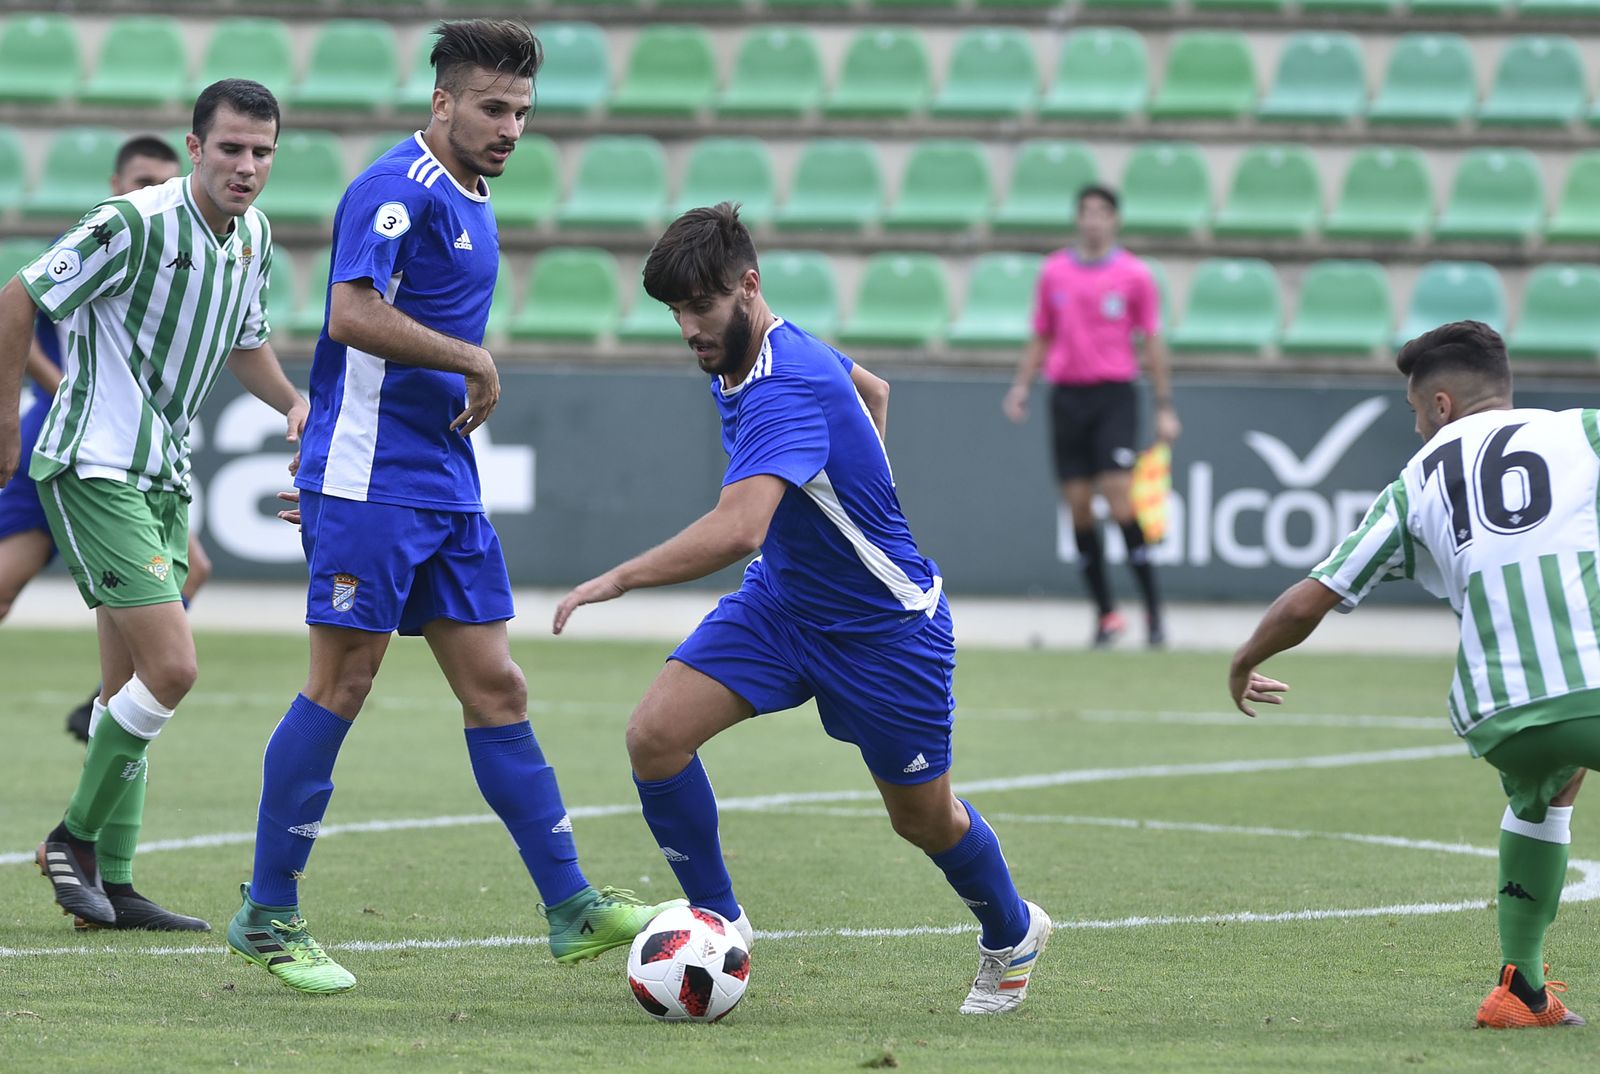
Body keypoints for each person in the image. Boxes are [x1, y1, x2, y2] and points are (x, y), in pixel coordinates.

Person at [230, 20, 679, 996]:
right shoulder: (399, 189)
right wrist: (474, 358)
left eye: (521, 111)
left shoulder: (475, 198)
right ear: (442, 103)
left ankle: (569, 909)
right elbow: (349, 314)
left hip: (442, 483)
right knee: (340, 686)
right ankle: (267, 913)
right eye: (491, 107)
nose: (510, 126)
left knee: (498, 689)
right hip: (371, 480)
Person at [553, 202, 1052, 1016]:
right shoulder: (762, 349)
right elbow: (873, 389)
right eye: (676, 310)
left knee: (924, 821)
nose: (688, 327)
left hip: (887, 633)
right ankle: (720, 920)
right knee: (655, 737)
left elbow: (739, 527)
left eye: (702, 306)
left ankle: (1012, 932)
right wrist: (855, 487)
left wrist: (619, 579)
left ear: (748, 286)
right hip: (784, 609)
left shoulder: (786, 386)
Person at [0, 81, 307, 934]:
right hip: (95, 463)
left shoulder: (253, 236)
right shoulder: (132, 221)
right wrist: (2, 424)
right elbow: (17, 297)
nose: (248, 167)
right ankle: (73, 837)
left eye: (263, 152)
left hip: (160, 472)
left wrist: (291, 401)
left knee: (127, 683)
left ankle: (116, 885)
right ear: (196, 145)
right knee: (171, 668)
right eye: (233, 149)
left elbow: (245, 343)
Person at [1229, 320, 1596, 1030]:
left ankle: (1520, 991)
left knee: (1547, 791)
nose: (1417, 428)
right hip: (1589, 684)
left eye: (1413, 412)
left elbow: (1315, 596)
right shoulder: (1580, 431)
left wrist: (1246, 659)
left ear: (1442, 406)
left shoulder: (1415, 482)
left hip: (1495, 711)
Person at [0, 135, 215, 744]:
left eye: (164, 182)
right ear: (116, 183)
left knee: (192, 571)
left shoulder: (175, 247)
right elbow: (21, 309)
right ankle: (123, 698)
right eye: (142, 180)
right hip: (66, 435)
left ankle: (112, 698)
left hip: (132, 445)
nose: (153, 192)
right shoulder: (93, 239)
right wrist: (61, 387)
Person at [1002, 184, 1180, 648]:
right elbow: (1042, 335)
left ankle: (1155, 614)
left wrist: (1164, 405)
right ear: (1078, 218)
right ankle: (1106, 616)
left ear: (1115, 219)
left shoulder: (1135, 276)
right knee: (1079, 507)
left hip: (1114, 395)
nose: (1093, 220)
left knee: (1120, 496)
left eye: (1102, 212)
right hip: (1066, 397)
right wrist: (1021, 386)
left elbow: (1152, 341)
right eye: (1086, 212)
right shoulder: (1054, 272)